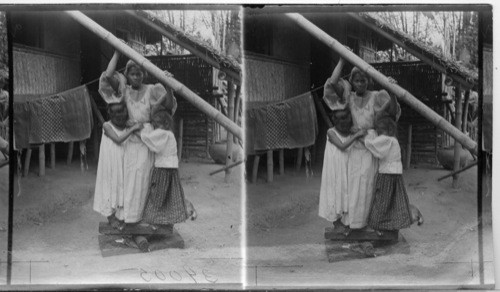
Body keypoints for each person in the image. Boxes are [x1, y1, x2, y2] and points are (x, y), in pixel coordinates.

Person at [99, 49, 177, 225]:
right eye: (133, 74)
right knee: (129, 178)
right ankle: (128, 217)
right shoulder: (123, 91)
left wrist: (169, 85)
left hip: (146, 137)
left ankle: (143, 217)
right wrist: (117, 52)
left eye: (140, 73)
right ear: (127, 74)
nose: (137, 77)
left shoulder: (152, 90)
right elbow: (109, 74)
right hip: (129, 137)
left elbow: (169, 106)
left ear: (144, 74)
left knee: (144, 176)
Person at [323, 58, 401, 230]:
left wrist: (393, 91)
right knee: (352, 184)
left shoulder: (377, 96)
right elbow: (333, 82)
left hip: (370, 144)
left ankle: (367, 222)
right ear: (352, 81)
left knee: (368, 183)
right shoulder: (348, 98)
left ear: (369, 81)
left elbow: (392, 113)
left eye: (364, 80)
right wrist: (342, 60)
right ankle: (353, 222)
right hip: (353, 144)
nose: (360, 84)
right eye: (357, 80)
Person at [139, 110, 189, 251]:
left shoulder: (163, 133)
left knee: (157, 197)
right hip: (171, 170)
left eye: (156, 124)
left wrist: (144, 129)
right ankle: (165, 222)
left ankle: (155, 222)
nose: (155, 127)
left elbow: (148, 139)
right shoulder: (170, 134)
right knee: (167, 197)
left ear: (163, 124)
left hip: (162, 169)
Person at [93, 102, 142, 230]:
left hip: (122, 162)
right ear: (109, 113)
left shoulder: (126, 126)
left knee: (123, 187)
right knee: (110, 187)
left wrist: (133, 127)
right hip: (110, 164)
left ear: (126, 111)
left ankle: (121, 216)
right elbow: (118, 140)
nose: (119, 115)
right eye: (115, 113)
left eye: (121, 111)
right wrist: (133, 129)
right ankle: (110, 217)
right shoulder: (107, 126)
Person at [318, 108, 366, 228]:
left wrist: (356, 133)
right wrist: (356, 136)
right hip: (335, 169)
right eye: (338, 119)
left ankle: (347, 221)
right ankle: (336, 222)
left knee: (348, 192)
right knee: (336, 193)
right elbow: (342, 146)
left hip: (347, 167)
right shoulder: (331, 132)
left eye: (345, 118)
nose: (342, 121)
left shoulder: (350, 132)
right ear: (334, 120)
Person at [364, 116, 412, 234]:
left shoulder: (386, 139)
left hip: (386, 174)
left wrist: (363, 137)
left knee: (381, 201)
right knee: (393, 201)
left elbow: (372, 145)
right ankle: (392, 225)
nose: (378, 133)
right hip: (396, 175)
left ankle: (378, 226)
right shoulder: (393, 140)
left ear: (386, 130)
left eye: (379, 130)